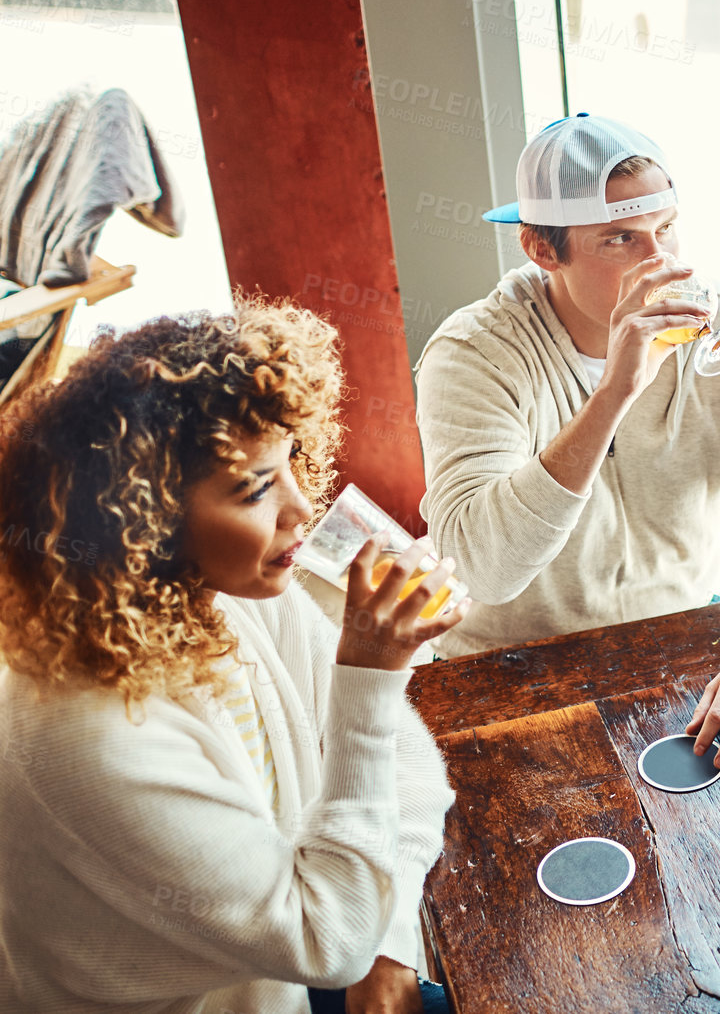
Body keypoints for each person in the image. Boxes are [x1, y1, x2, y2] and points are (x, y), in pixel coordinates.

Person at [0, 300, 462, 1014]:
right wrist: (367, 677)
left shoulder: (227, 592)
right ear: (145, 522)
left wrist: (392, 940)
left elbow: (410, 764)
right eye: (254, 489)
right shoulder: (87, 732)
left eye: (291, 467)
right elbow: (327, 940)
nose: (303, 509)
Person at [416, 113, 720, 771]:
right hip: (506, 669)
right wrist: (614, 392)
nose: (660, 263)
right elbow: (480, 569)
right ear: (541, 249)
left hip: (676, 643)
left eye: (665, 228)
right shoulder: (474, 354)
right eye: (619, 239)